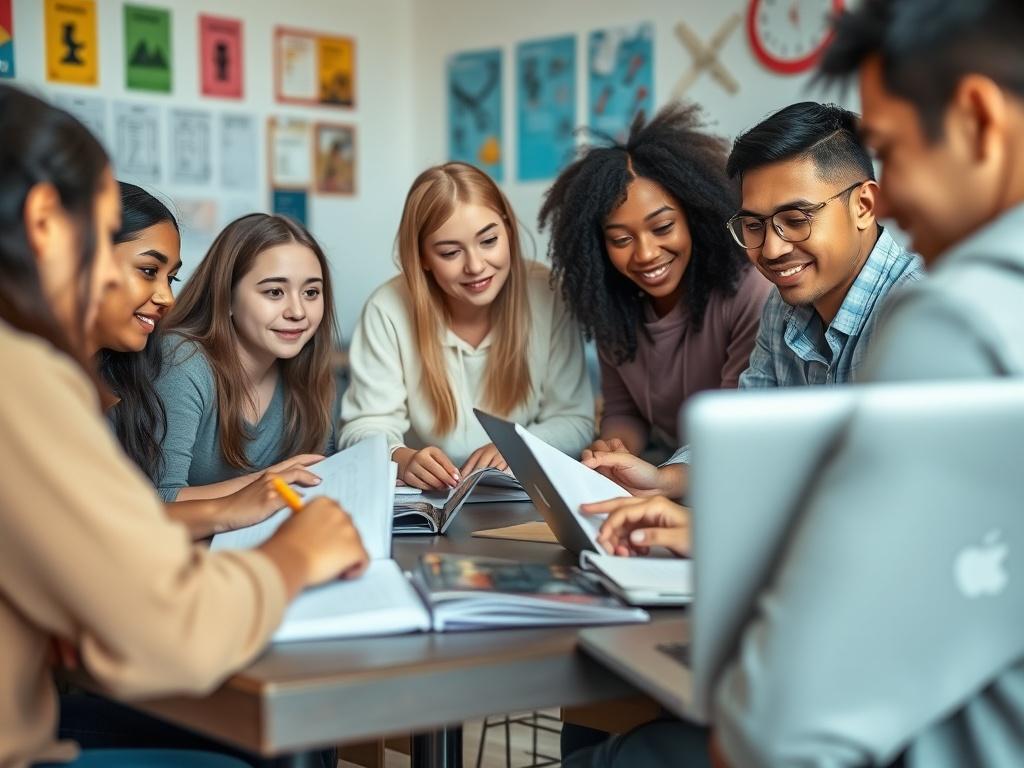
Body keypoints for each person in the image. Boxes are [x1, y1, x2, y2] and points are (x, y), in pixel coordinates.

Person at [0, 84, 368, 768]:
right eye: (109, 239)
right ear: (47, 221)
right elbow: (168, 635)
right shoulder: (22, 377)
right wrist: (293, 556)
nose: (156, 297)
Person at [581, 101, 922, 503]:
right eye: (753, 226)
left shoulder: (919, 315)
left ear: (864, 205)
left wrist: (699, 530)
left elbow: (896, 492)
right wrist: (661, 481)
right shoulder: (783, 308)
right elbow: (742, 436)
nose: (773, 249)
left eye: (796, 219)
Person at [340, 162, 594, 490]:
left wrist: (519, 447)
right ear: (423, 259)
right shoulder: (386, 309)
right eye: (450, 252)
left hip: (523, 498)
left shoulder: (547, 293)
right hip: (433, 500)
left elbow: (575, 421)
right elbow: (363, 425)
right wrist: (400, 457)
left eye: (488, 241)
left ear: (508, 231)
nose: (475, 266)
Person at [539, 103, 770, 459]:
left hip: (728, 468)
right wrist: (614, 451)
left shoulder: (748, 292)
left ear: (695, 216)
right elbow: (623, 412)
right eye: (620, 239)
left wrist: (660, 480)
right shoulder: (611, 306)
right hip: (666, 470)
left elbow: (730, 428)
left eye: (662, 228)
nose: (645, 254)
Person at [92, 185, 309, 539]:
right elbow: (121, 522)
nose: (166, 298)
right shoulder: (180, 360)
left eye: (171, 279)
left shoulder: (122, 374)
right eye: (148, 270)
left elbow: (126, 515)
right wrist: (241, 502)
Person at [154, 214, 340, 503]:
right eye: (275, 292)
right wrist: (270, 482)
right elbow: (158, 498)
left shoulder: (308, 367)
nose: (298, 311)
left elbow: (320, 480)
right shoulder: (181, 360)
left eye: (311, 292)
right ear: (226, 298)